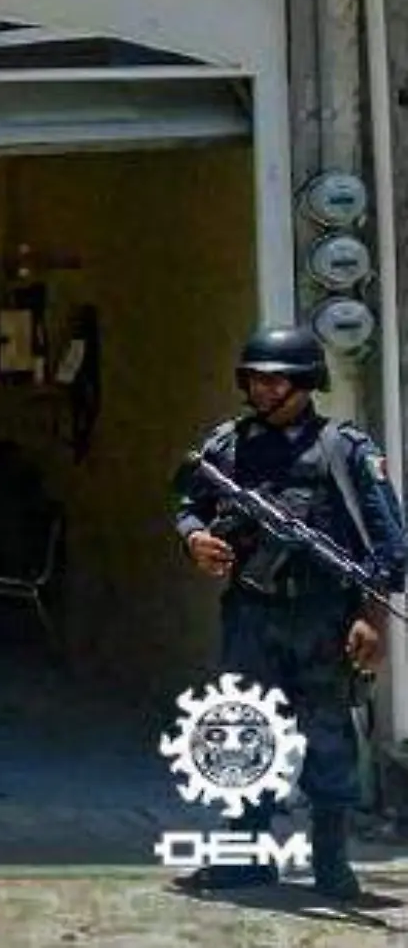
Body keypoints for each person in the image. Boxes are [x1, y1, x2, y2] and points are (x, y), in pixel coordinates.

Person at [172, 325, 406, 900]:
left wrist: (370, 617)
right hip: (252, 613)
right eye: (253, 377)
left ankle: (331, 861)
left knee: (328, 736)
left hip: (325, 616)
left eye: (273, 379)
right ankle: (247, 854)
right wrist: (195, 538)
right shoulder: (228, 445)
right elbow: (188, 503)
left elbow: (389, 544)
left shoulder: (345, 450)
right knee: (241, 732)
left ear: (304, 383)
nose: (260, 388)